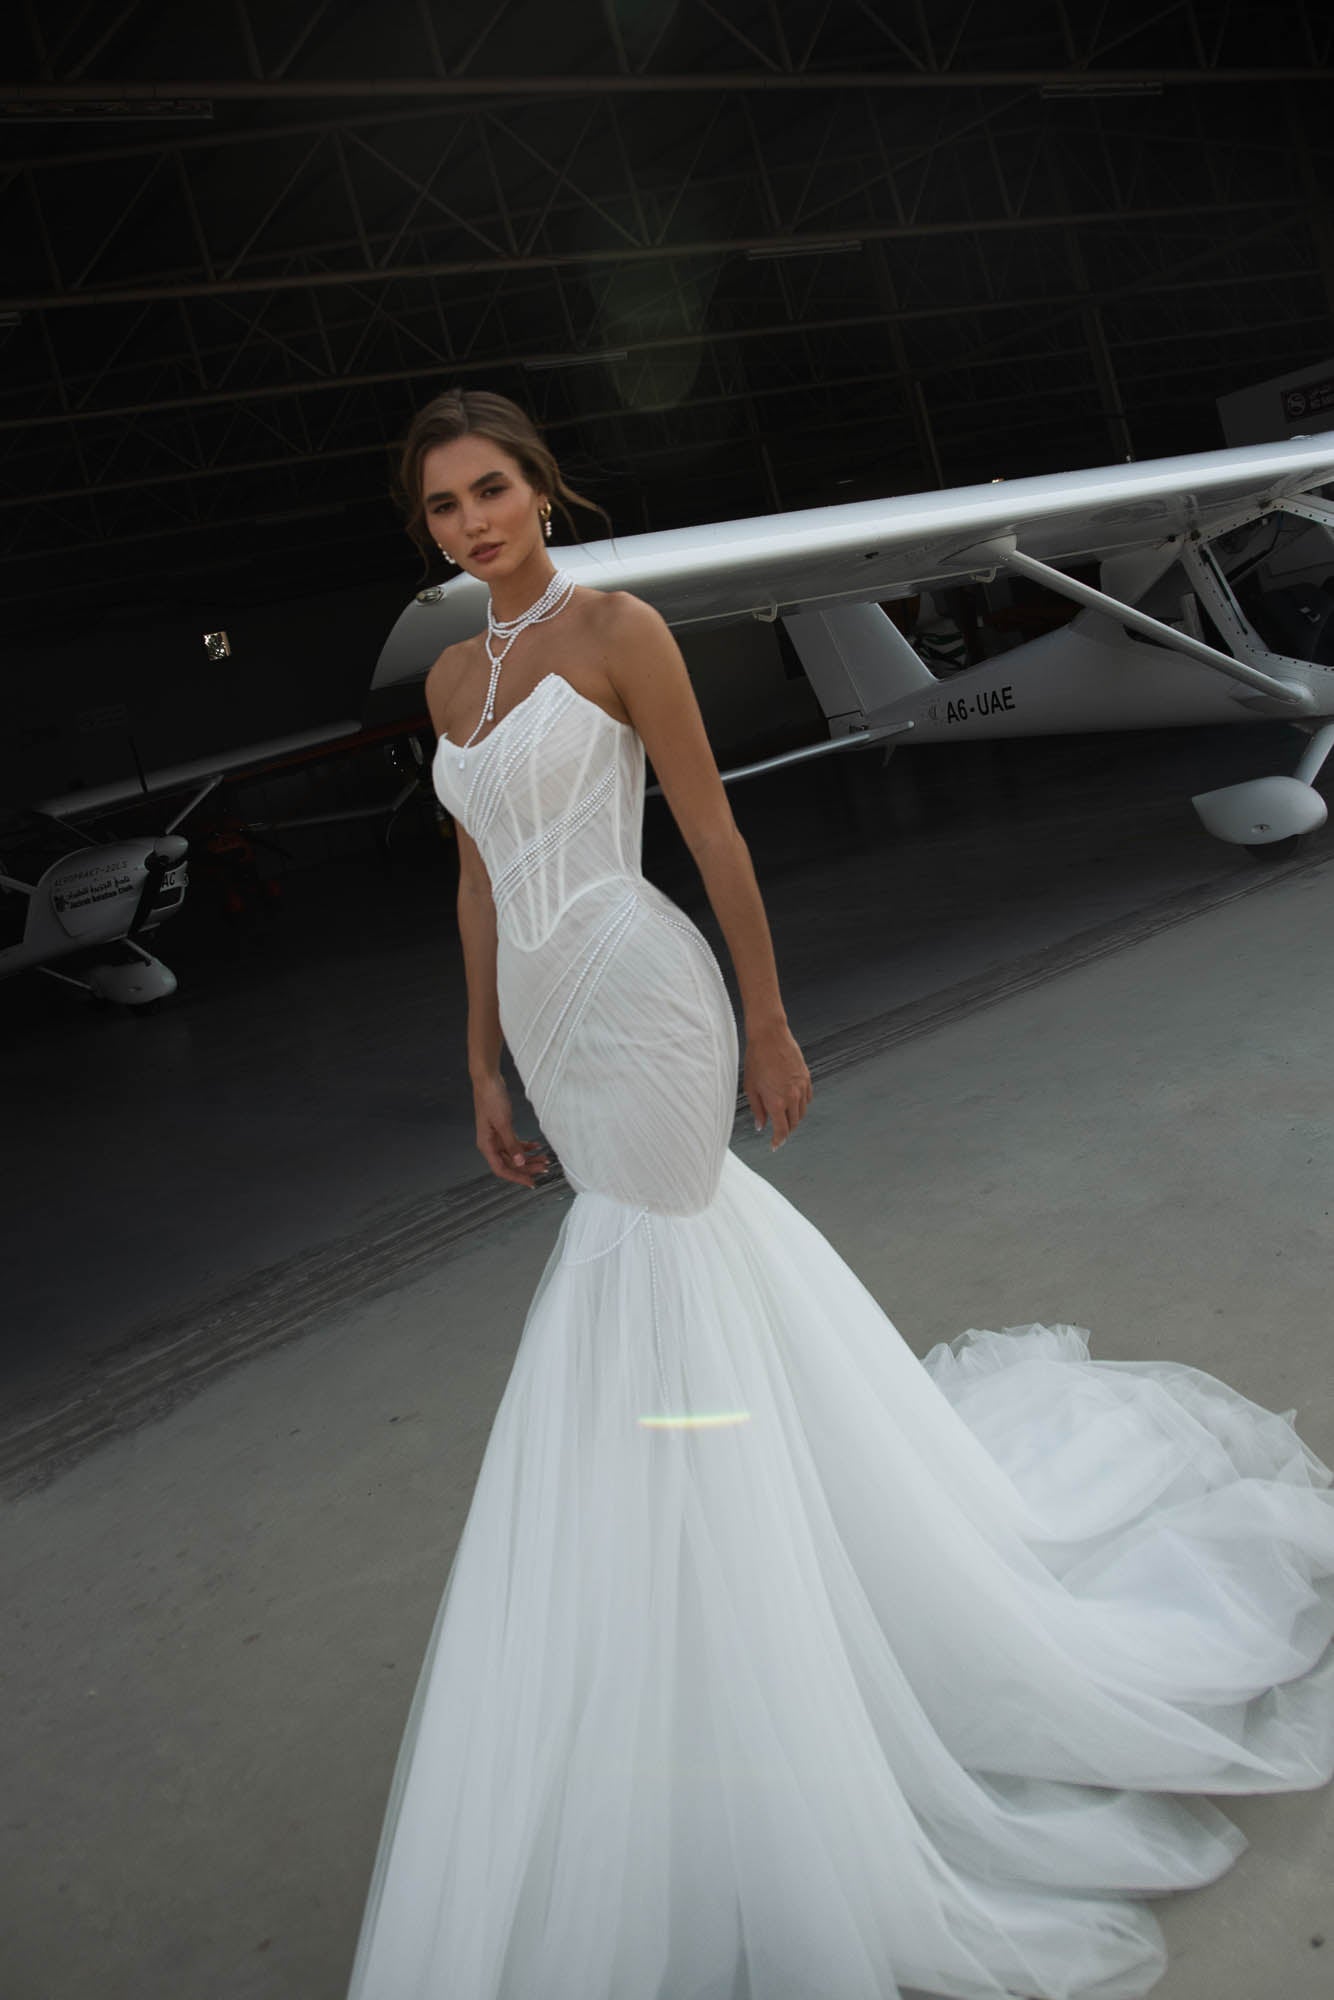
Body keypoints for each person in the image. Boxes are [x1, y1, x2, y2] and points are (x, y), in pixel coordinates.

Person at [346, 388, 1334, 2000]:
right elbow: (472, 881)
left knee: (657, 1275)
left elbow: (710, 829)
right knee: (661, 1289)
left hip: (645, 995)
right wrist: (477, 1064)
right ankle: (710, 1604)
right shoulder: (453, 677)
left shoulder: (618, 632)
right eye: (445, 505)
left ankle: (752, 1627)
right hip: (546, 1023)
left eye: (493, 489)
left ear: (542, 489)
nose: (473, 521)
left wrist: (768, 1019)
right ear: (430, 526)